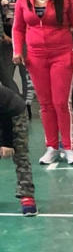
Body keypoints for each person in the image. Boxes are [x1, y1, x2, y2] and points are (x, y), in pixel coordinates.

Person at [12, 0, 73, 166]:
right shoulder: (23, 0)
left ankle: (69, 147)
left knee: (61, 103)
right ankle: (51, 147)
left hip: (62, 56)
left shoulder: (64, 0)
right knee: (46, 105)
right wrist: (17, 51)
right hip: (35, 58)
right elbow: (18, 28)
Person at [0, 84, 36, 215]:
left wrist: (6, 143)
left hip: (13, 113)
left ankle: (27, 195)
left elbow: (4, 115)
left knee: (20, 153)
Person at [1, 0, 32, 105]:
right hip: (6, 42)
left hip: (25, 42)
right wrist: (3, 35)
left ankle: (27, 105)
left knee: (27, 76)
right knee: (6, 76)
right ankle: (17, 103)